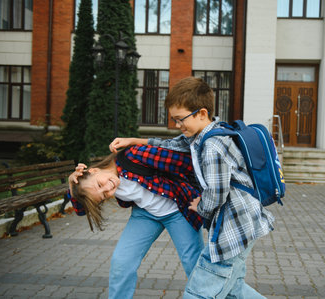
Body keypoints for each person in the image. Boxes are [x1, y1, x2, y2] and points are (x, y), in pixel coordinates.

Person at [110, 76, 275, 298]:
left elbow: (217, 193)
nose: (178, 125)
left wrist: (201, 208)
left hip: (235, 225)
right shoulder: (200, 137)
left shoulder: (213, 146)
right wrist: (133, 140)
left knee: (198, 293)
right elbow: (171, 144)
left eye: (180, 119)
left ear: (202, 113)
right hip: (239, 223)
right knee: (233, 291)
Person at [67, 144, 204, 299]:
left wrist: (204, 195)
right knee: (121, 262)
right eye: (104, 195)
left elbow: (186, 161)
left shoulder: (134, 155)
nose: (107, 188)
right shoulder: (103, 184)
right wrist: (72, 185)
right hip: (145, 215)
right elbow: (81, 210)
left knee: (194, 264)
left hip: (178, 211)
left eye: (99, 184)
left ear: (94, 171)